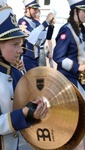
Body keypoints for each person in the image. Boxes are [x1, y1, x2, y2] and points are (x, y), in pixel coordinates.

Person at [0, 5, 48, 150]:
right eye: (14, 44)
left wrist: (35, 108)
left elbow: (24, 107)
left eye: (21, 44)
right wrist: (25, 112)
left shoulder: (16, 73)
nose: (20, 50)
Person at [53, 0, 85, 149]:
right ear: (75, 12)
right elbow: (58, 57)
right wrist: (79, 67)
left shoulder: (82, 29)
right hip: (70, 80)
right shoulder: (66, 30)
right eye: (84, 10)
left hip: (81, 80)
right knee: (76, 121)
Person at [18, 0, 54, 71]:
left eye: (37, 9)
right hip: (27, 56)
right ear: (27, 9)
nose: (37, 11)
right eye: (34, 9)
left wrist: (50, 25)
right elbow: (32, 37)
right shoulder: (22, 21)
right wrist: (46, 22)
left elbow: (46, 37)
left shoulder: (36, 22)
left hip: (37, 57)